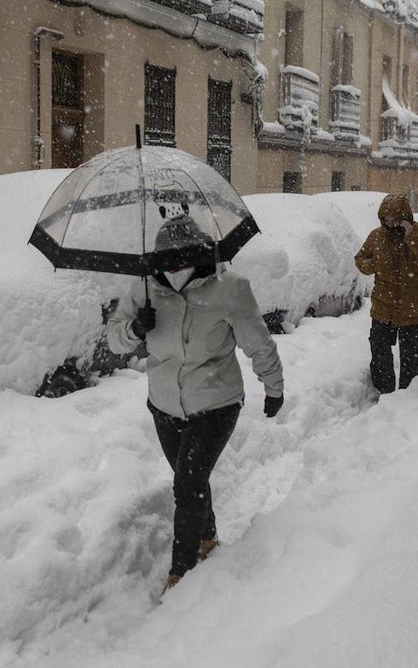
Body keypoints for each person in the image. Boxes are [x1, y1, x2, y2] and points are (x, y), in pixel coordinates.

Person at [107, 213, 284, 595]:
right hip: (164, 405)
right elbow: (114, 340)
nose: (174, 267)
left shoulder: (230, 289)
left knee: (186, 484)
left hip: (217, 403)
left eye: (182, 257)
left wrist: (273, 387)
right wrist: (135, 328)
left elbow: (257, 342)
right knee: (192, 480)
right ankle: (207, 537)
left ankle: (181, 570)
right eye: (166, 259)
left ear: (199, 253)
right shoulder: (144, 290)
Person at [353, 193, 418, 396]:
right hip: (383, 309)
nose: (390, 222)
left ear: (405, 216)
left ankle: (408, 395)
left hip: (413, 309)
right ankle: (382, 393)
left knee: (412, 356)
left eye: (395, 218)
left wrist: (411, 236)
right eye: (386, 218)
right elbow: (360, 259)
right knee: (380, 353)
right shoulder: (376, 236)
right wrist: (373, 265)